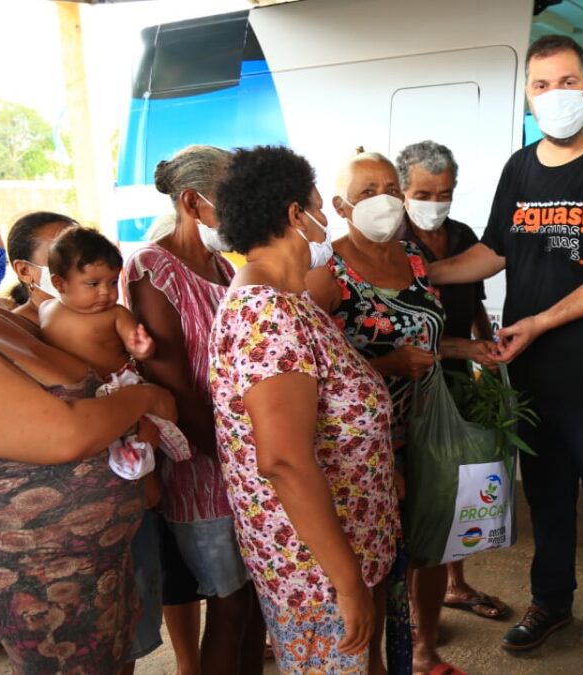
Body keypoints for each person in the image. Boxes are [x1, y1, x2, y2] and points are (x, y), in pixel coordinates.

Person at [428, 35, 583, 673]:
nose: (555, 95)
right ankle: (550, 602)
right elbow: (497, 251)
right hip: (532, 374)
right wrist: (431, 272)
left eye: (566, 82)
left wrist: (541, 321)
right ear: (528, 97)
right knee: (548, 496)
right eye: (541, 85)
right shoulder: (519, 168)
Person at [0, 177, 176, 673]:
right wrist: (146, 397)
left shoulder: (0, 316)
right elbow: (66, 433)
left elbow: (92, 385)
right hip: (41, 584)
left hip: (98, 567)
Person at [208, 145, 399, 674]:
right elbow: (284, 461)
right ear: (295, 215)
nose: (324, 224)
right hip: (315, 572)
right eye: (318, 208)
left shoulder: (288, 303)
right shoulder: (265, 316)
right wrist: (346, 583)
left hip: (345, 545)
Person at [305, 149, 466, 675]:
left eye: (390, 190)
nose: (383, 201)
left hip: (426, 427)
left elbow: (425, 336)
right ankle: (371, 664)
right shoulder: (326, 272)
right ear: (339, 205)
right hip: (368, 446)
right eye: (367, 192)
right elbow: (311, 363)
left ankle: (424, 646)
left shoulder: (415, 260)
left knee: (433, 540)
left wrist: (468, 350)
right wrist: (385, 362)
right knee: (375, 562)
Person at [125, 145, 266, 675]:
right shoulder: (152, 268)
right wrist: (234, 460)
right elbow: (174, 386)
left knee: (252, 601)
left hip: (244, 460)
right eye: (231, 200)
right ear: (192, 201)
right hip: (203, 467)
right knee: (228, 602)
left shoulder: (220, 266)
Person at [393, 140, 510, 623]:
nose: (434, 203)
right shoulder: (388, 242)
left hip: (460, 375)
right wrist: (460, 349)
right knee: (424, 491)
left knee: (460, 478)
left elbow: (475, 299)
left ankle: (454, 584)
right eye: (424, 192)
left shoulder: (461, 235)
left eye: (444, 193)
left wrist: (490, 350)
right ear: (402, 191)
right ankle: (417, 613)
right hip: (412, 380)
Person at [37, 227, 155, 379]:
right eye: (93, 284)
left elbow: (138, 347)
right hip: (71, 390)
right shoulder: (46, 309)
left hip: (118, 386)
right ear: (59, 284)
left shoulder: (117, 314)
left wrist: (143, 350)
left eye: (113, 282)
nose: (105, 291)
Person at [5, 211, 78, 330]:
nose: (81, 267)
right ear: (24, 271)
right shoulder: (15, 330)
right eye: (64, 258)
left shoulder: (103, 316)